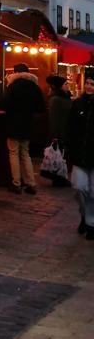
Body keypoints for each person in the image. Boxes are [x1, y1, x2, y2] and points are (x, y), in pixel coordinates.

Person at [3, 62, 46, 194]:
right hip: (28, 125)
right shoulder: (35, 87)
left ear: (16, 72)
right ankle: (30, 183)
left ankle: (16, 183)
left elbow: (5, 104)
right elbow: (41, 107)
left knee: (14, 153)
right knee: (25, 154)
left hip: (13, 124)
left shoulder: (12, 86)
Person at [66, 71, 94, 238]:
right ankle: (85, 215)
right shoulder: (78, 104)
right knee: (79, 187)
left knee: (93, 192)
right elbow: (70, 127)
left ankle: (91, 223)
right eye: (88, 83)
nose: (89, 86)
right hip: (79, 154)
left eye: (92, 84)